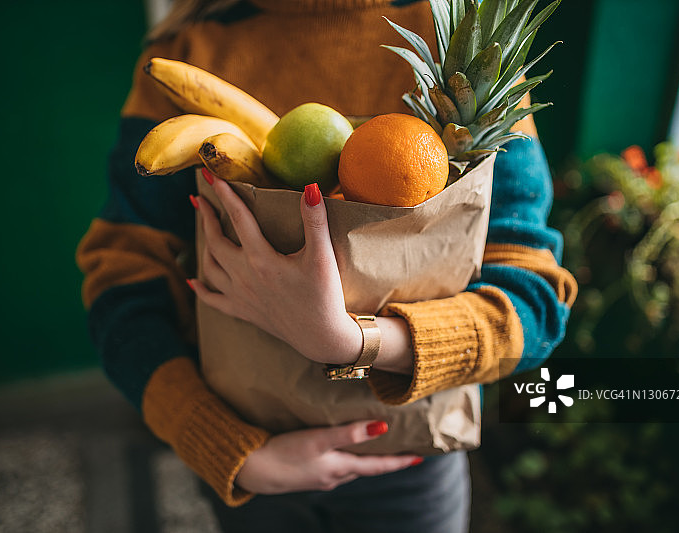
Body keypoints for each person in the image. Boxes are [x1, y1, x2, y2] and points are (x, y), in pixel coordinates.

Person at [76, 0, 578, 531]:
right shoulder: (185, 53)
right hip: (253, 459)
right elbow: (123, 279)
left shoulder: (470, 52)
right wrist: (218, 441)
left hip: (410, 460)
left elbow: (534, 299)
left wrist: (349, 341)